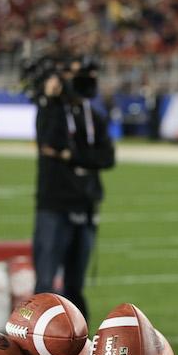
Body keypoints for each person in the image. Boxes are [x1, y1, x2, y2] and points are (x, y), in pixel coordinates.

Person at [33, 59, 115, 319]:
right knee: (46, 282)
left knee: (75, 284)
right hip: (55, 205)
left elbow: (107, 158)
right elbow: (48, 143)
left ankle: (79, 344)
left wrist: (70, 156)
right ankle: (37, 343)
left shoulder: (95, 116)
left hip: (86, 204)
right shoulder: (51, 112)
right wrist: (52, 100)